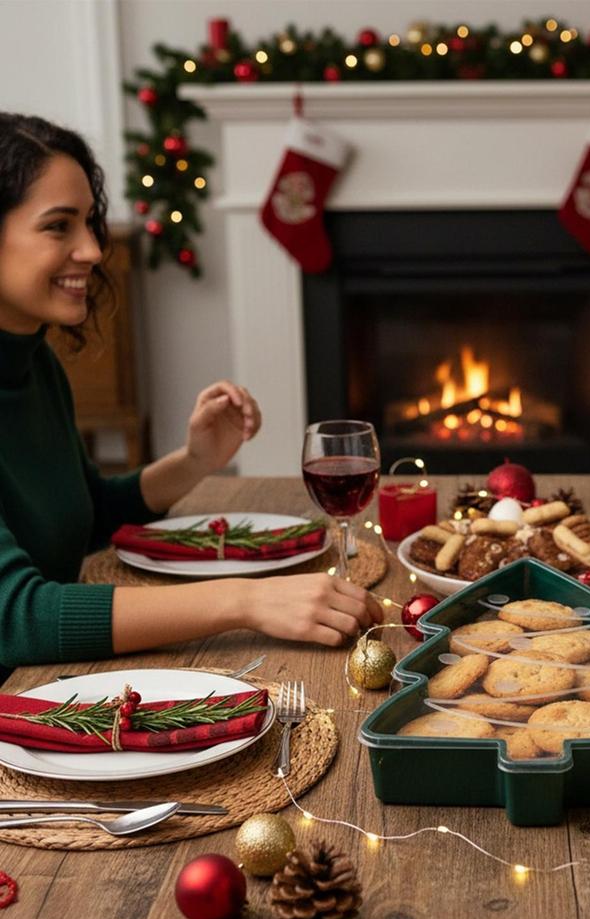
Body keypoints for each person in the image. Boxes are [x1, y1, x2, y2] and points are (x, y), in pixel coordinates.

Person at [0, 113, 382, 678]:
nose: (93, 250)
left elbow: (87, 516)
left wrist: (196, 461)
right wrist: (245, 602)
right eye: (59, 226)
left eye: (89, 221)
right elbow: (15, 619)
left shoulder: (35, 363)